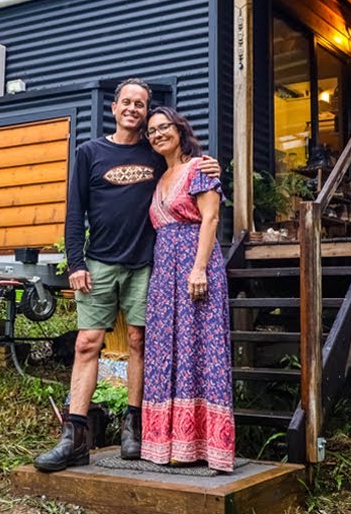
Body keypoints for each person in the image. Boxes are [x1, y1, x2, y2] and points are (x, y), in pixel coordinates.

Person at [34, 79, 219, 472]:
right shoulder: (89, 152)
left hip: (146, 263)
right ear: (114, 107)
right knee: (87, 342)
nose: (134, 109)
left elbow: (187, 173)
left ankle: (132, 427)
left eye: (142, 104)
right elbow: (74, 212)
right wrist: (76, 263)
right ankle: (74, 436)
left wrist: (208, 163)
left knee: (138, 340)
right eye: (127, 102)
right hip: (99, 262)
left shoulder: (155, 152)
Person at [140, 106, 234, 472]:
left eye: (164, 127)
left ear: (180, 130)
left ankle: (208, 446)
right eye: (152, 131)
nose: (158, 134)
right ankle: (170, 443)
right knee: (167, 351)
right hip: (165, 272)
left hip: (196, 264)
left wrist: (198, 269)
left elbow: (210, 217)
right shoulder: (159, 179)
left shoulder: (199, 168)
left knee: (201, 348)